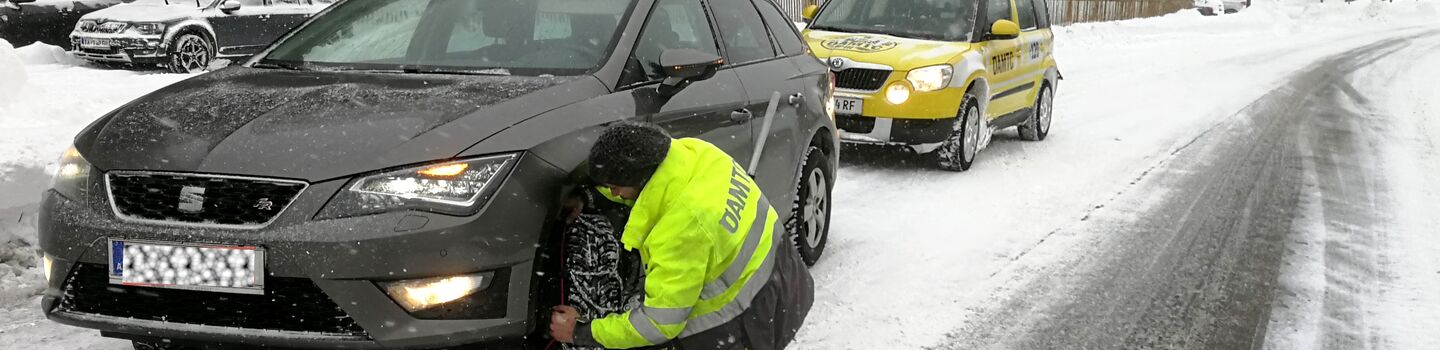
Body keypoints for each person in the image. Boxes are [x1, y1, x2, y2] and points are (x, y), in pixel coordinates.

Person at [550, 121, 814, 350]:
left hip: (750, 320)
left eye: (615, 187)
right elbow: (652, 192)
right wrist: (592, 196)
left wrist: (580, 332)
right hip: (787, 278)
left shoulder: (680, 229)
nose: (615, 194)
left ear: (639, 178)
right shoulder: (697, 153)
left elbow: (657, 325)